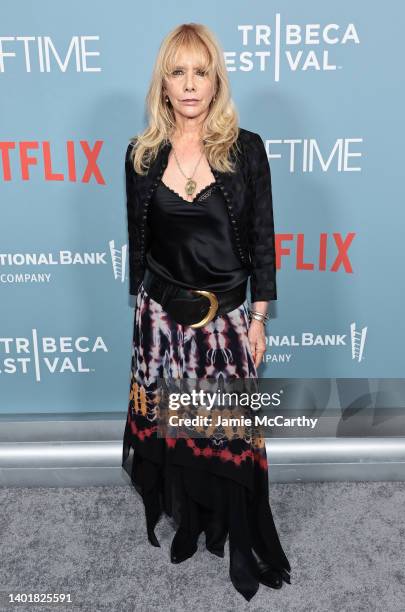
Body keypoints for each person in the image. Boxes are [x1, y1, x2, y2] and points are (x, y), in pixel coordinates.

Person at [121, 23, 291, 602]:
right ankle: (189, 523)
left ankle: (229, 529)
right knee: (176, 431)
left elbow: (263, 239)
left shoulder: (246, 149)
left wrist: (260, 318)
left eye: (201, 71)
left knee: (226, 437)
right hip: (163, 323)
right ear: (163, 84)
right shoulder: (141, 156)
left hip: (224, 325)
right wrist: (142, 316)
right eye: (178, 72)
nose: (190, 85)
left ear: (215, 79)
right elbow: (137, 243)